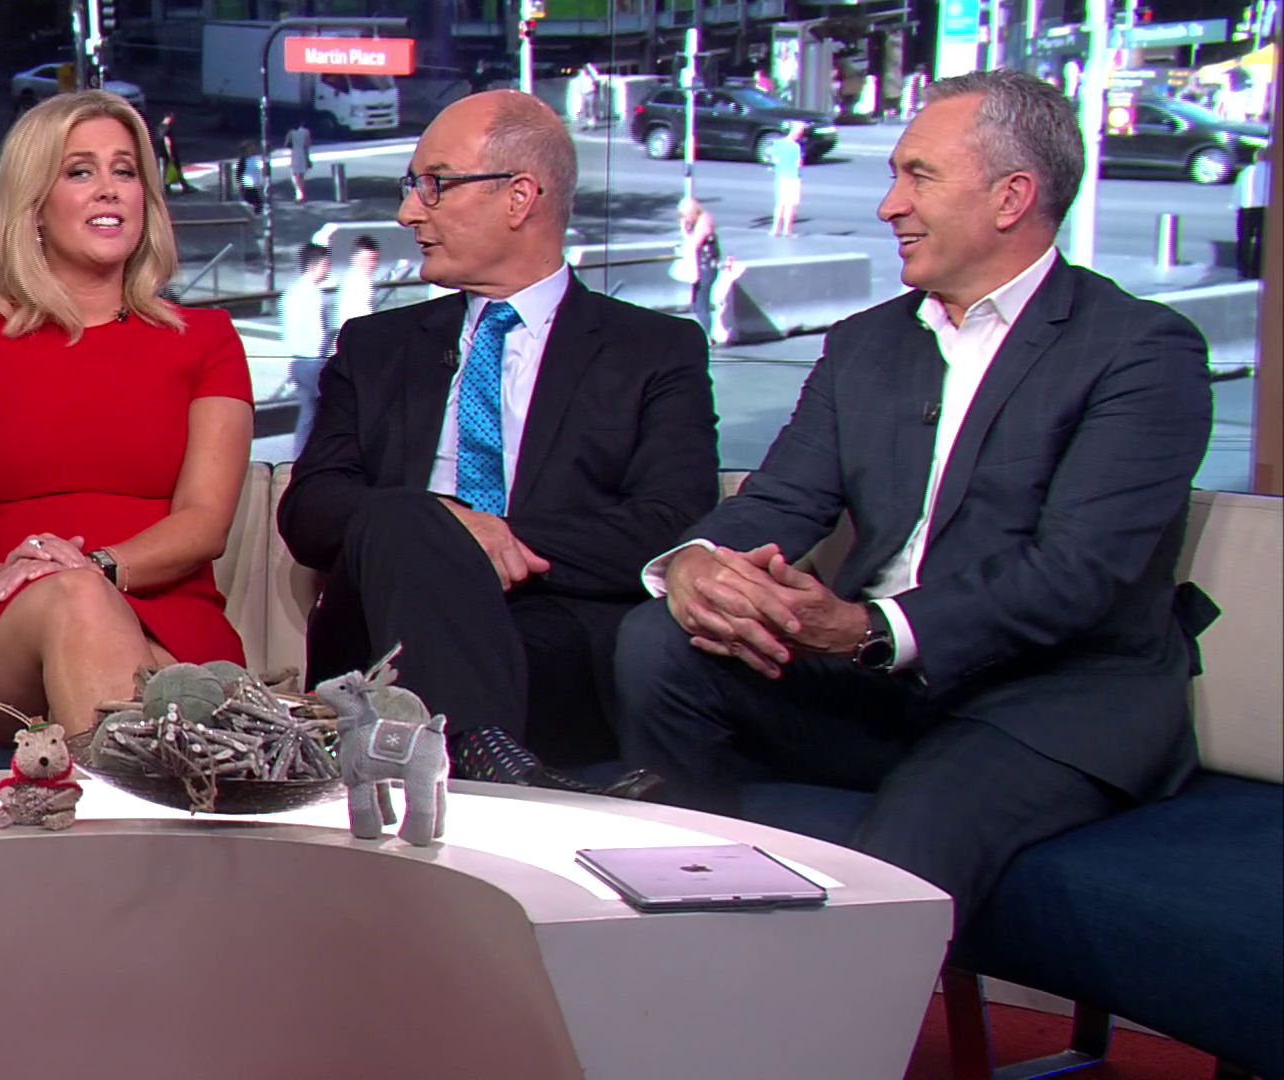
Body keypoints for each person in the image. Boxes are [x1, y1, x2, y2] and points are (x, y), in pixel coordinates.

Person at [615, 71, 1215, 932]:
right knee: (658, 642)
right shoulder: (867, 344)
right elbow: (782, 498)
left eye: (918, 176)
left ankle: (801, 999)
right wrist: (695, 567)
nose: (888, 204)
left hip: (1047, 700)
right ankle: (695, 924)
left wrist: (867, 629)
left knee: (900, 853)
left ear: (1012, 197)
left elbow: (1078, 572)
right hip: (881, 690)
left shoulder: (1140, 351)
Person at [277, 91, 718, 797]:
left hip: (555, 640)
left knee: (426, 524)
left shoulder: (654, 351)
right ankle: (479, 747)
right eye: (413, 186)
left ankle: (467, 748)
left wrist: (486, 538)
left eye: (436, 184)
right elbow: (311, 512)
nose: (409, 212)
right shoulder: (376, 347)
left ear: (519, 197)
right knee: (407, 512)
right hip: (384, 640)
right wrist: (441, 526)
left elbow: (670, 524)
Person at [0, 90, 254, 748]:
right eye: (80, 171)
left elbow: (204, 524)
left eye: (125, 171)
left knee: (154, 678)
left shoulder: (208, 341)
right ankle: (148, 796)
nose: (109, 189)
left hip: (170, 619)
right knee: (79, 606)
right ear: (33, 207)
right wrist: (17, 577)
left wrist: (98, 567)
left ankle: (126, 792)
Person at [281, 243, 331, 455]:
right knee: (325, 412)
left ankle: (300, 455)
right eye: (326, 264)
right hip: (314, 361)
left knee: (308, 413)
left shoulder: (291, 293)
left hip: (297, 361)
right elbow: (319, 333)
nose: (328, 269)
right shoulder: (314, 294)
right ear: (316, 265)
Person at [677, 197, 726, 341]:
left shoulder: (704, 220)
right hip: (699, 268)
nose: (685, 219)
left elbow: (694, 243)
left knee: (701, 303)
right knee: (697, 302)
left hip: (706, 269)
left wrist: (685, 231)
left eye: (685, 215)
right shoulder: (695, 222)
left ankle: (708, 336)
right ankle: (706, 334)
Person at [1232, 157, 1269, 281]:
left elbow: (1238, 189)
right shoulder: (1270, 171)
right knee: (1261, 241)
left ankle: (1243, 269)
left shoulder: (1246, 171)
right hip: (1263, 209)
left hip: (1245, 207)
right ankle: (1256, 269)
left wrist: (1235, 206)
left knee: (1244, 240)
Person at [768, 120, 805, 238]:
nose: (800, 135)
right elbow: (799, 164)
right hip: (793, 178)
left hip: (781, 177)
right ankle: (787, 231)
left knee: (780, 204)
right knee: (790, 205)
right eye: (800, 132)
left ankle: (775, 229)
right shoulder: (796, 147)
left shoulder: (778, 144)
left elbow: (773, 159)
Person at [336, 233, 381, 330]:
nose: (372, 264)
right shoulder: (359, 282)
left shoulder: (350, 278)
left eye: (375, 260)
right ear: (355, 258)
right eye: (368, 260)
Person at [155, 112, 194, 195]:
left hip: (164, 152)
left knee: (169, 170)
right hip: (169, 152)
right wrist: (170, 154)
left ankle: (168, 187)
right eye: (172, 118)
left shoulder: (161, 127)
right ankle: (184, 186)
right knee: (176, 168)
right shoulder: (165, 127)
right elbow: (167, 141)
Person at [285, 123, 313, 203]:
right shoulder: (306, 132)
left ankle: (299, 192)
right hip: (303, 154)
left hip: (294, 154)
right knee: (301, 175)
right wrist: (308, 158)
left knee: (294, 174)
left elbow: (286, 144)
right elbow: (307, 145)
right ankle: (300, 192)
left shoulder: (291, 132)